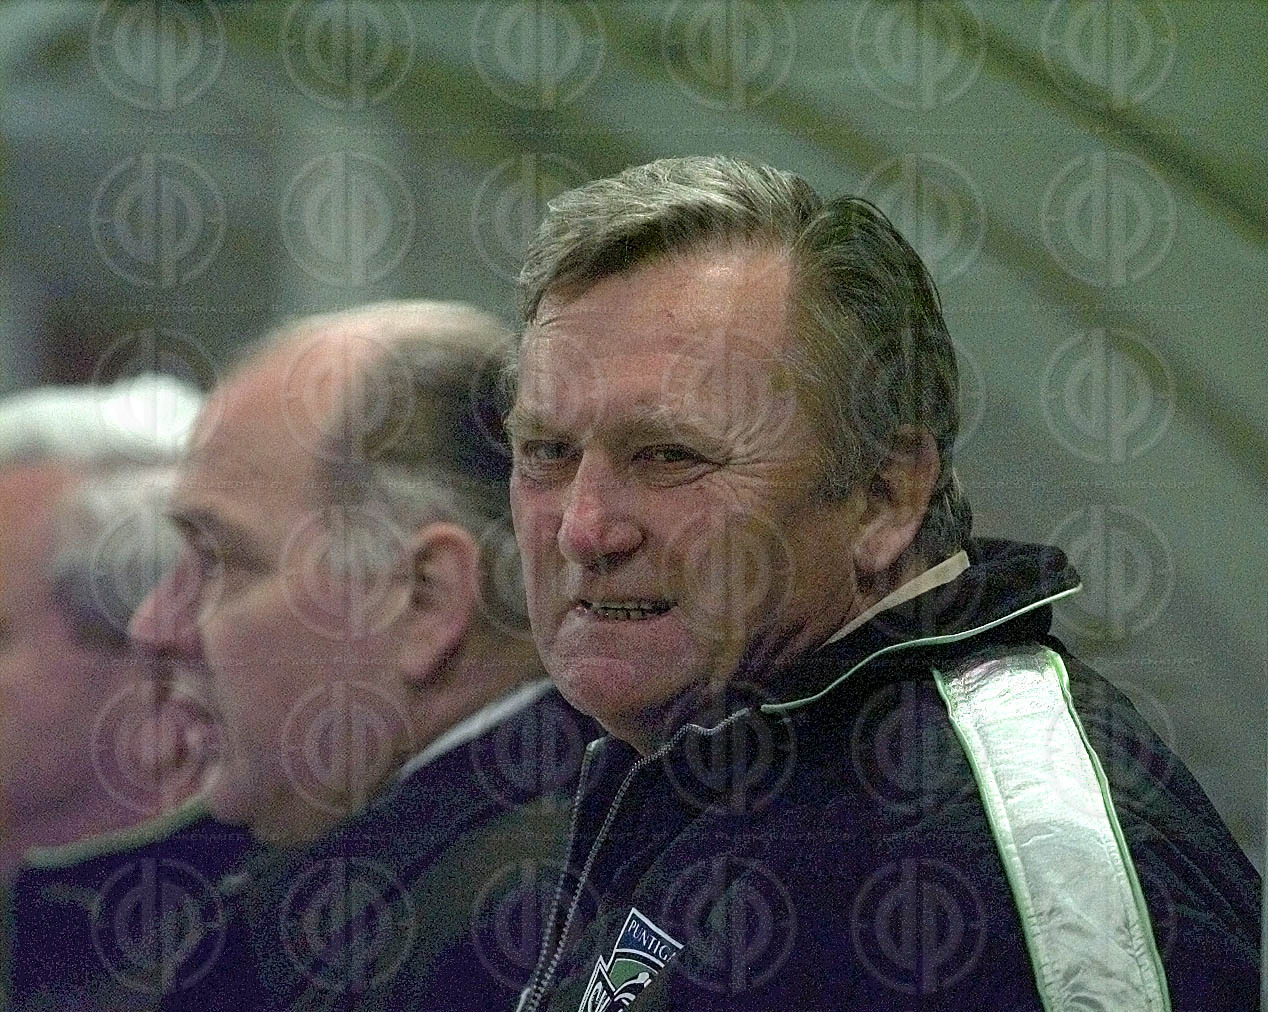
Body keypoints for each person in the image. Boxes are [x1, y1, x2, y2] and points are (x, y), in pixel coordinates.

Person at [505, 156, 1260, 1010]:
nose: (583, 529)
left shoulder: (1010, 855)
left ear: (885, 497)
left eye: (670, 456)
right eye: (546, 452)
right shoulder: (711, 766)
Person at [7, 302, 596, 1011]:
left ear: (425, 600)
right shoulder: (374, 899)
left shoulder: (501, 939)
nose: (155, 625)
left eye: (220, 560)